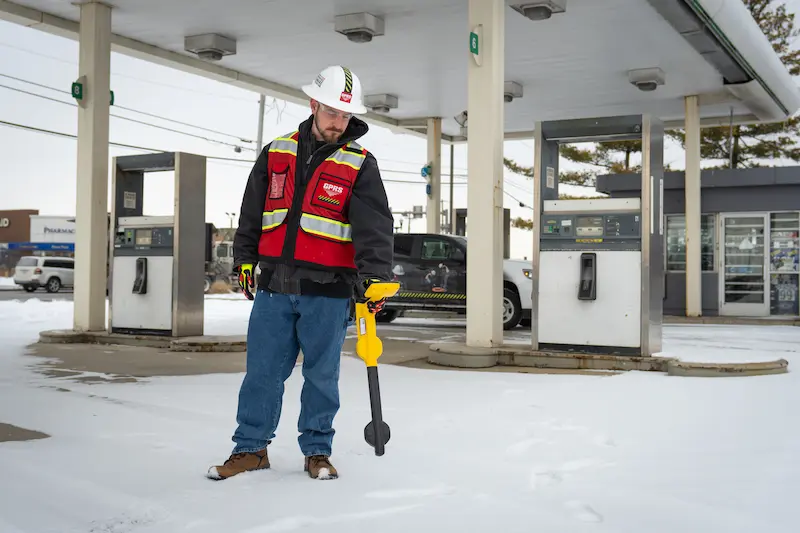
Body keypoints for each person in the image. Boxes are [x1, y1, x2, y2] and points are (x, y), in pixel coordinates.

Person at [207, 65, 394, 481]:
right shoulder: (276, 152)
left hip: (328, 293)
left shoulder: (359, 163)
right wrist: (244, 260)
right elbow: (252, 211)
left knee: (321, 377)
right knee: (262, 374)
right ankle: (251, 449)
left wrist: (375, 276)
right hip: (274, 287)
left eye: (345, 115)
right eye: (331, 112)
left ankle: (317, 452)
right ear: (313, 105)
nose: (338, 122)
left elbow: (375, 228)